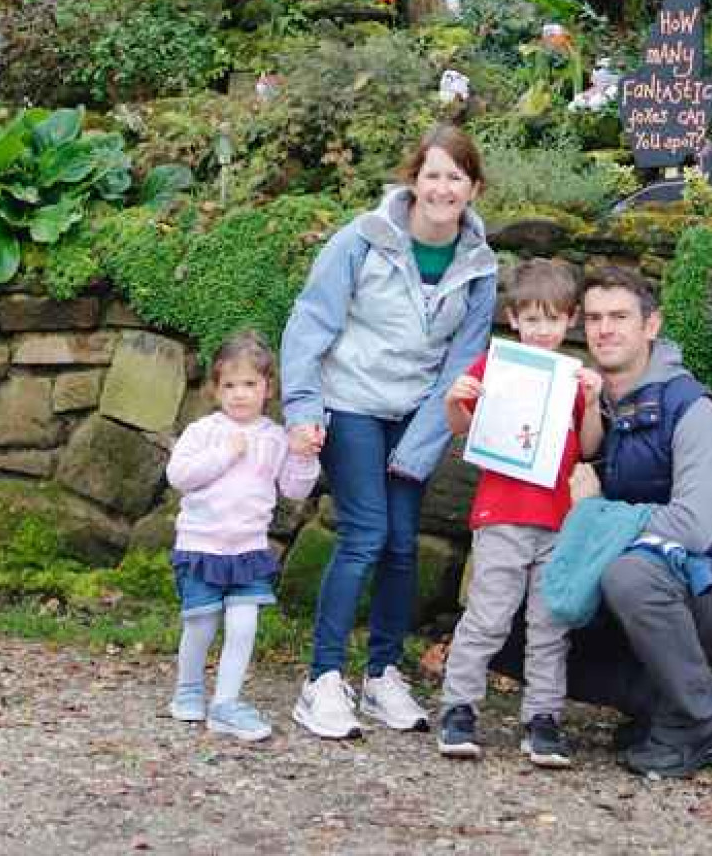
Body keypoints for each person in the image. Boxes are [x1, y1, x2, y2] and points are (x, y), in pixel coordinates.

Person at [280, 123, 497, 739]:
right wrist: (303, 408)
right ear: (413, 181)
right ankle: (321, 681)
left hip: (414, 414)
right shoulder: (362, 239)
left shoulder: (479, 266)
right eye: (433, 174)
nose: (443, 187)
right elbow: (311, 322)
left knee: (403, 544)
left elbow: (463, 363)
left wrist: (424, 440)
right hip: (349, 402)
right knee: (366, 534)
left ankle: (381, 676)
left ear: (473, 188)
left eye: (456, 176)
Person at [572, 266, 712, 778]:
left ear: (651, 326)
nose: (604, 329)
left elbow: (693, 527)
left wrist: (594, 513)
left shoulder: (689, 406)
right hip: (620, 570)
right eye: (594, 318)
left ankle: (699, 722)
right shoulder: (587, 403)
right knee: (508, 611)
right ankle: (659, 701)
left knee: (629, 575)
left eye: (620, 317)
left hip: (707, 577)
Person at [437, 259, 603, 768]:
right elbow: (460, 427)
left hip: (556, 521)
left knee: (549, 624)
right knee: (488, 616)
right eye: (532, 319)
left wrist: (593, 403)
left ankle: (543, 718)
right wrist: (455, 399)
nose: (541, 330)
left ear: (569, 321)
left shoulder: (575, 379)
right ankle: (459, 707)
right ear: (514, 319)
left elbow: (588, 449)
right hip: (502, 515)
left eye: (552, 320)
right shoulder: (494, 367)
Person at [166, 331, 320, 741]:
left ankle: (226, 703)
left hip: (248, 549)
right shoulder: (204, 432)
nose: (239, 394)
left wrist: (304, 455)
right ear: (216, 389)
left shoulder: (274, 437)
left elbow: (294, 489)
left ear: (267, 388)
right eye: (229, 385)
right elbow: (179, 476)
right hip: (202, 547)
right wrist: (225, 454)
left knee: (244, 624)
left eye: (250, 384)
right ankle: (189, 690)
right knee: (200, 625)